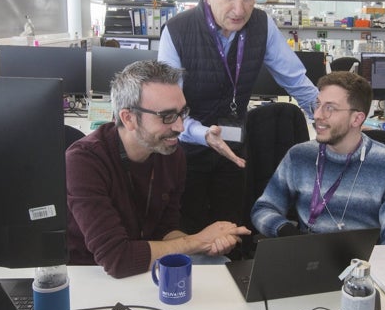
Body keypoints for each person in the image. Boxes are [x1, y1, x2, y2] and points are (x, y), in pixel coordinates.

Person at [157, 0, 318, 235]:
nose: (240, 9)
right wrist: (204, 135)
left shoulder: (261, 25)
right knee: (187, 233)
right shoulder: (177, 31)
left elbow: (296, 80)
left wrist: (327, 115)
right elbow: (169, 112)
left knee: (232, 230)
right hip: (185, 150)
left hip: (233, 150)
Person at [66, 60, 250, 279]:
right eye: (168, 117)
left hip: (146, 266)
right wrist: (197, 241)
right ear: (129, 118)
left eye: (183, 113)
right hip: (92, 276)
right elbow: (117, 259)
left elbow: (165, 230)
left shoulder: (170, 153)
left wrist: (206, 245)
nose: (180, 127)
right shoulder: (84, 161)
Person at [250, 72, 385, 245]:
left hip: (363, 264)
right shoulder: (299, 156)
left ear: (356, 119)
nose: (318, 115)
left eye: (330, 108)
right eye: (318, 105)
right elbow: (263, 209)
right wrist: (287, 233)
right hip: (308, 260)